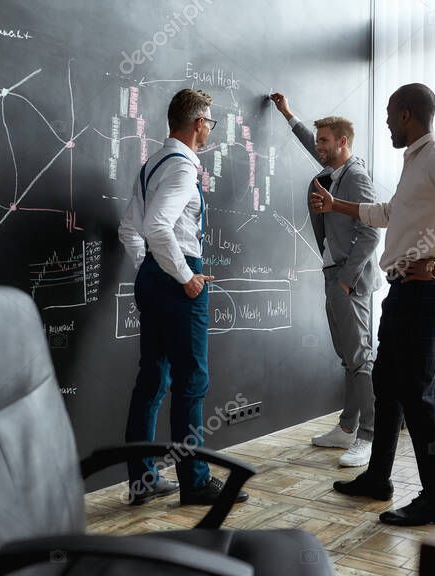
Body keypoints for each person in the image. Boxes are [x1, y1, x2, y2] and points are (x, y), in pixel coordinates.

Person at [317, 83, 435, 526]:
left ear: (408, 114)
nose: (388, 122)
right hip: (403, 291)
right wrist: (338, 205)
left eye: (391, 114)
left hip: (424, 292)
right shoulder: (415, 163)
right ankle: (378, 478)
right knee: (388, 390)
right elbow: (389, 213)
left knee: (420, 398)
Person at [118, 88, 248, 506]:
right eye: (209, 121)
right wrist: (184, 275)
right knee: (192, 381)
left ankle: (143, 480)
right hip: (177, 278)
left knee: (152, 380)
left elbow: (129, 229)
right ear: (197, 124)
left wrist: (149, 268)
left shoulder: (153, 163)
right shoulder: (182, 169)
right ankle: (194, 481)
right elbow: (157, 227)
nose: (210, 128)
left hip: (155, 278)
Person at [269, 93, 384, 467]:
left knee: (361, 358)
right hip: (335, 274)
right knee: (348, 358)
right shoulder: (334, 171)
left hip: (351, 279)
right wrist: (289, 115)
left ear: (342, 143)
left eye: (324, 141)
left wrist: (347, 280)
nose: (318, 147)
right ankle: (347, 427)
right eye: (316, 141)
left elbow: (371, 232)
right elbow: (311, 145)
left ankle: (368, 435)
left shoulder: (356, 177)